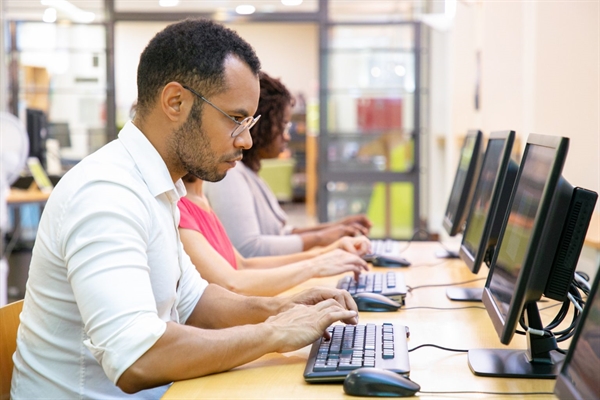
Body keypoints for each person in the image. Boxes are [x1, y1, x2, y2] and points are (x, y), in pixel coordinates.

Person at [11, 19, 359, 399]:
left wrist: (281, 307)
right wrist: (274, 332)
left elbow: (194, 301)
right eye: (236, 119)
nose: (245, 140)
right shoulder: (105, 192)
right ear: (175, 101)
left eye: (251, 122)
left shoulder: (158, 185)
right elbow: (136, 358)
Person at [204, 72, 373, 258]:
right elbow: (249, 249)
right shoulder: (230, 175)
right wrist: (321, 238)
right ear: (262, 125)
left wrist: (338, 228)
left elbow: (280, 234)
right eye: (283, 126)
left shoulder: (249, 174)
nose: (287, 136)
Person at [179, 173, 371, 296]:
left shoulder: (201, 199)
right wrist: (315, 266)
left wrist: (328, 252)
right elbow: (232, 284)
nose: (245, 141)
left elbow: (244, 264)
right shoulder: (178, 206)